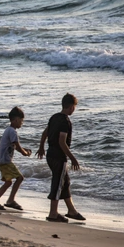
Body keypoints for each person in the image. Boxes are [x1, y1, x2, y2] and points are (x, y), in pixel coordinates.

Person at [36, 93, 86, 223]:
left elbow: (45, 133)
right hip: (59, 156)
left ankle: (71, 210)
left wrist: (41, 147)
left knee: (65, 182)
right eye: (74, 107)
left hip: (50, 154)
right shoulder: (65, 121)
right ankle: (53, 213)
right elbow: (62, 142)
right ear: (71, 107)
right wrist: (73, 158)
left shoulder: (54, 117)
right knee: (58, 183)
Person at [0, 107, 31, 210]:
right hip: (5, 161)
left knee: (8, 182)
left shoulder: (8, 130)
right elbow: (16, 145)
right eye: (21, 121)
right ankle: (10, 200)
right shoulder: (12, 131)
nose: (22, 123)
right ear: (16, 120)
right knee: (20, 178)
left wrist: (23, 149)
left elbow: (14, 146)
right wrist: (24, 153)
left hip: (1, 160)